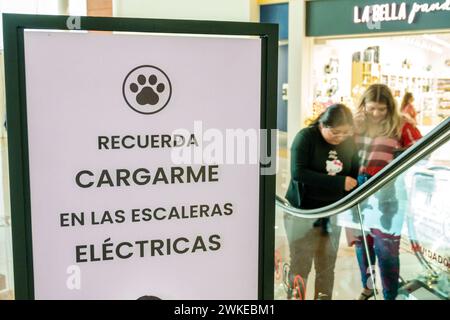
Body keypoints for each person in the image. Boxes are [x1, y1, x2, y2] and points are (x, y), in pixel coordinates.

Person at [352, 84, 422, 300]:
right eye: (372, 108)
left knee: (386, 248)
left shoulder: (401, 124)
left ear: (389, 107)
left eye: (382, 109)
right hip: (357, 190)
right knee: (362, 244)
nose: (376, 114)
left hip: (388, 190)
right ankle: (368, 286)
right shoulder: (355, 123)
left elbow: (421, 151)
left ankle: (390, 296)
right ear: (364, 105)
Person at [284, 104, 359, 300]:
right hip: (303, 212)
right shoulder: (306, 137)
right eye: (335, 132)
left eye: (345, 132)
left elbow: (353, 177)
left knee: (326, 266)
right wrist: (339, 182)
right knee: (301, 263)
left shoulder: (350, 143)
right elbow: (298, 173)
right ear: (322, 124)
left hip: (333, 212)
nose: (340, 137)